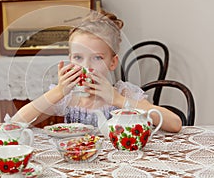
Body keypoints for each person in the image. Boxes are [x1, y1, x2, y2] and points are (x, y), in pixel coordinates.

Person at [11, 10, 182, 133]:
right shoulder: (68, 98)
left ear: (112, 62)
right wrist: (58, 92)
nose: (86, 67)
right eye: (78, 57)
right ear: (70, 59)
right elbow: (16, 122)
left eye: (97, 58)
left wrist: (117, 99)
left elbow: (175, 124)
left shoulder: (124, 92)